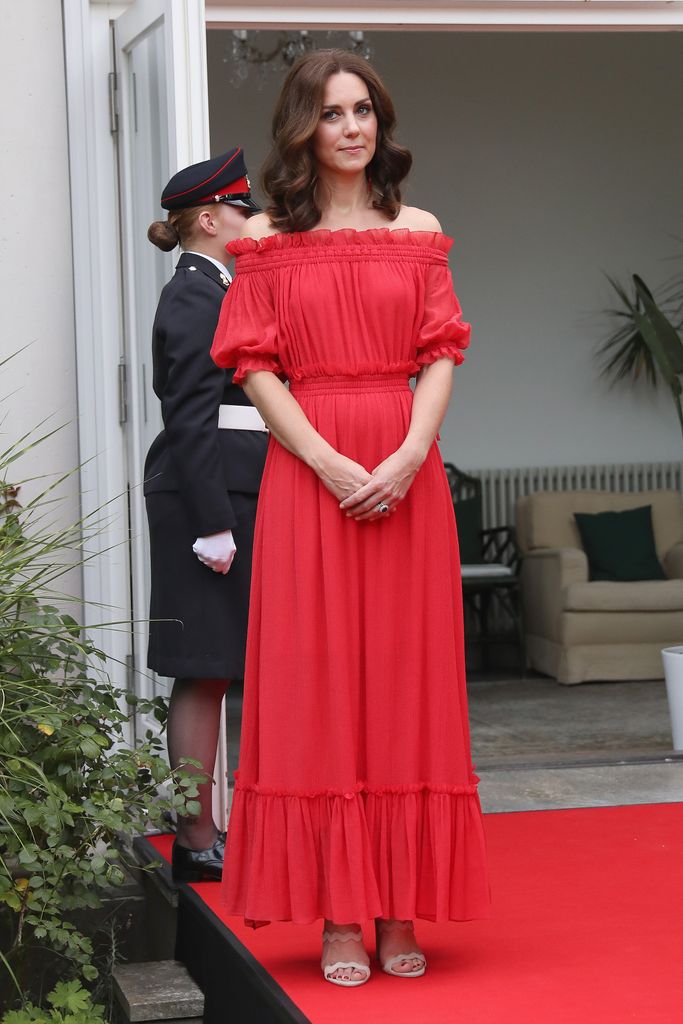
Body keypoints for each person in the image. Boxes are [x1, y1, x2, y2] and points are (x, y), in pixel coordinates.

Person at [211, 53, 490, 986]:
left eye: (363, 110)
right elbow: (253, 368)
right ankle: (339, 914)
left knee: (405, 682)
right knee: (318, 685)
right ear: (303, 128)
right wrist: (328, 461)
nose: (351, 128)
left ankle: (401, 905)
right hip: (309, 475)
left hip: (406, 471)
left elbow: (441, 351)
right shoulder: (263, 240)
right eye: (331, 114)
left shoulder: (420, 230)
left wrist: (411, 454)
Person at [144, 148, 268, 883]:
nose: (250, 218)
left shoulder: (217, 286)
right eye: (242, 207)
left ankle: (205, 833)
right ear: (210, 217)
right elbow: (191, 415)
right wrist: (212, 521)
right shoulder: (195, 294)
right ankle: (196, 839)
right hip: (207, 494)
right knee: (203, 669)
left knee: (218, 667)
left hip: (225, 491)